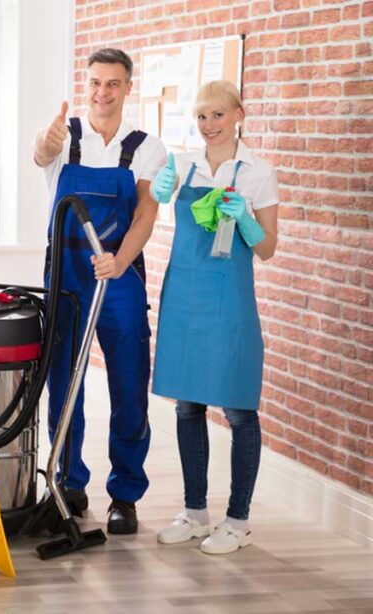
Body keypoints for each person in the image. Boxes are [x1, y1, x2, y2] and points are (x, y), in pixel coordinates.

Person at [33, 48, 167, 534]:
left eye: (113, 83)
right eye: (94, 82)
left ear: (128, 88)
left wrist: (120, 260)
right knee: (64, 381)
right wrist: (45, 142)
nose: (102, 92)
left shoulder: (147, 147)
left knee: (129, 382)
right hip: (66, 274)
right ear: (84, 84)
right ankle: (68, 483)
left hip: (118, 271)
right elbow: (40, 153)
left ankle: (125, 495)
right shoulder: (64, 136)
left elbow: (146, 212)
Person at [152, 80, 279, 554]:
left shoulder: (258, 172)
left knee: (240, 408)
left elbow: (267, 248)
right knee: (187, 407)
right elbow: (158, 209)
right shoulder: (181, 166)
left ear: (239, 114)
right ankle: (195, 513)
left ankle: (238, 520)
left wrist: (246, 219)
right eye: (202, 117)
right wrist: (157, 190)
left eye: (218, 116)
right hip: (184, 296)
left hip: (229, 301)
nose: (209, 126)